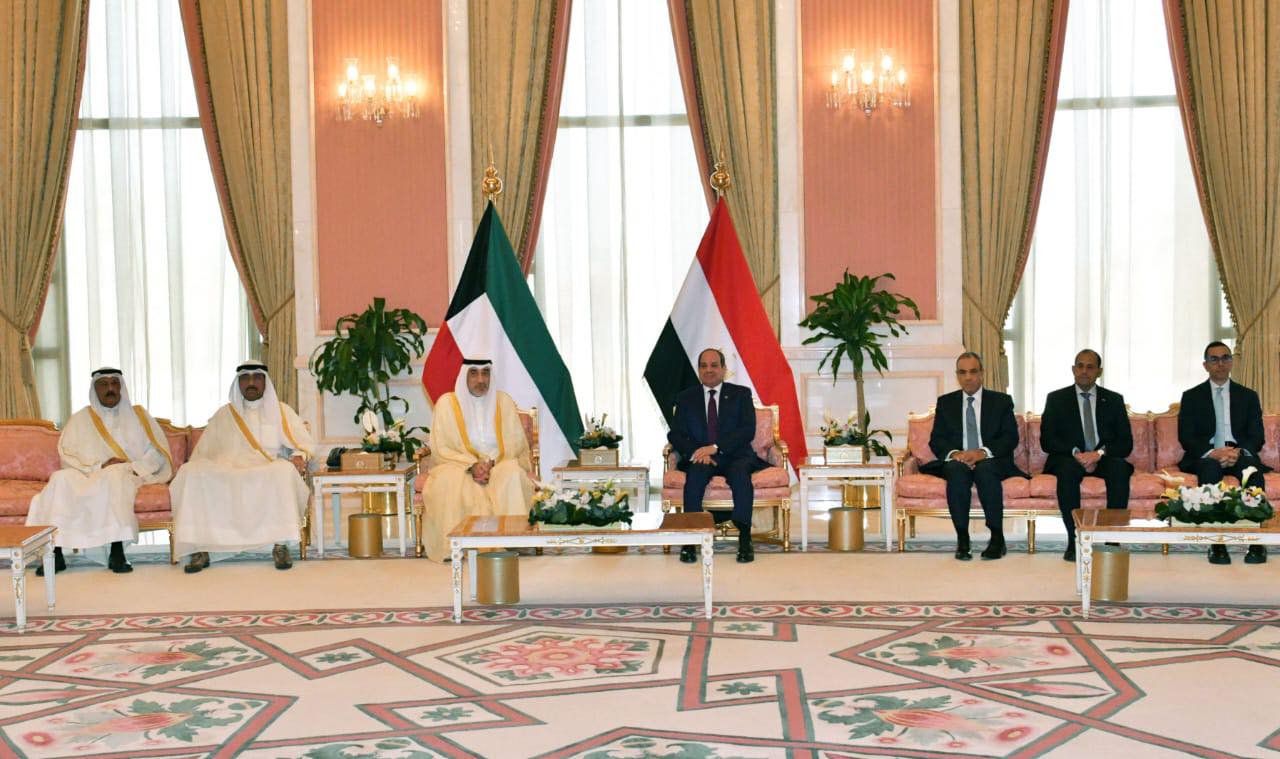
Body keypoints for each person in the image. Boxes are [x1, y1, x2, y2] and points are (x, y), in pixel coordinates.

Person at [170, 361, 313, 572]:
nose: (251, 383)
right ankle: (200, 548)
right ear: (238, 383)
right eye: (245, 378)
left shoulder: (282, 411)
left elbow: (304, 444)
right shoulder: (224, 414)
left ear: (265, 382)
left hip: (264, 469)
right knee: (190, 471)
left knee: (283, 471)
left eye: (257, 378)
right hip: (226, 469)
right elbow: (203, 452)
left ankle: (280, 545)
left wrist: (299, 456)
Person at [27, 368, 172, 575]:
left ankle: (117, 551)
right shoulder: (80, 419)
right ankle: (55, 554)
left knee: (115, 476)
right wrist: (98, 466)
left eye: (115, 383)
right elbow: (67, 453)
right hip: (87, 472)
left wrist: (133, 466)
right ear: (95, 389)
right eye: (104, 384)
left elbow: (156, 452)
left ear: (121, 387)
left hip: (125, 471)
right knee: (60, 479)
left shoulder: (139, 416)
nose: (110, 388)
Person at [421, 359, 536, 561]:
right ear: (464, 375)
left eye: (485, 373)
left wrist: (491, 463)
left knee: (511, 473)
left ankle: (511, 539)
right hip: (458, 464)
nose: (481, 380)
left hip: (499, 462)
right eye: (474, 373)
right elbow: (441, 447)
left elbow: (516, 443)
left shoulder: (504, 402)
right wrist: (471, 466)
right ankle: (456, 544)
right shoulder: (446, 404)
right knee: (452, 480)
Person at [920, 351, 1025, 560]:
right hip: (958, 461)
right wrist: (955, 454)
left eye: (973, 371)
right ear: (957, 375)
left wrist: (982, 453)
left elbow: (1010, 437)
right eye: (963, 372)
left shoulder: (1001, 401)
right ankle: (963, 539)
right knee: (955, 471)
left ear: (982, 373)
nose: (968, 377)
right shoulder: (946, 403)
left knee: (985, 469)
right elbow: (937, 439)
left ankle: (997, 537)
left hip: (991, 460)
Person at [668, 348, 766, 564]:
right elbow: (675, 434)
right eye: (704, 366)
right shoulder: (686, 398)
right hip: (701, 458)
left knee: (741, 477)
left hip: (734, 455)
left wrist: (715, 447)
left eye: (714, 365)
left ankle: (745, 538)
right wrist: (696, 452)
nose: (709, 370)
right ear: (699, 370)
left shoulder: (741, 394)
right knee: (694, 479)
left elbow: (747, 430)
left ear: (723, 369)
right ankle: (690, 541)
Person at [1177, 341, 1269, 565]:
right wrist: (1212, 453)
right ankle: (1217, 543)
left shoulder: (1248, 396)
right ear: (1205, 365)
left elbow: (1257, 436)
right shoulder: (1191, 396)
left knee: (1252, 471)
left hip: (1239, 452)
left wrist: (1238, 452)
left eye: (1225, 358)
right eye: (1214, 359)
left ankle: (1256, 542)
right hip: (1207, 456)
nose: (1220, 363)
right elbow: (1186, 437)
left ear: (1231, 362)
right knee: (1210, 470)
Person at [1040, 349, 1133, 561]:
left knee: (1120, 469)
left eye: (1090, 367)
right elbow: (1047, 440)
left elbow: (1125, 443)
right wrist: (1076, 453)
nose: (1084, 371)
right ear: (1073, 369)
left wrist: (1098, 454)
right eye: (1080, 366)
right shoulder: (1056, 399)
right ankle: (1075, 539)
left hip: (1103, 457)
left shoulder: (1114, 400)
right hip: (1069, 457)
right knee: (1067, 471)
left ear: (1099, 371)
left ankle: (1112, 539)